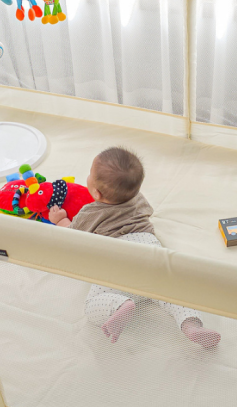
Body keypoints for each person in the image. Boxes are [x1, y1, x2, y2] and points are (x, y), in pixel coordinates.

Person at [50, 147, 221, 348]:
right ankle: (191, 325)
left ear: (96, 192)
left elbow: (71, 237)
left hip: (116, 261)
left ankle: (120, 305)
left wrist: (60, 220)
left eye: (90, 174)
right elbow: (148, 211)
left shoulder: (90, 212)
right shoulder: (138, 198)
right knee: (174, 292)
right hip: (149, 255)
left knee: (92, 305)